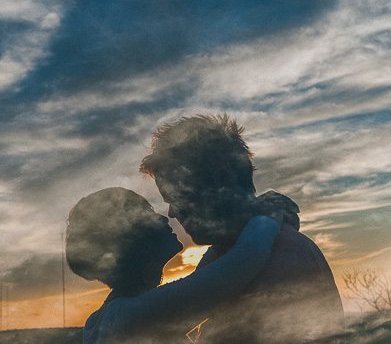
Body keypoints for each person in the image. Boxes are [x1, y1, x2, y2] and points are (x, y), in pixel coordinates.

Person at [140, 114, 345, 342]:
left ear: (221, 179)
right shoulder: (226, 254)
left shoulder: (284, 257)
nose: (172, 212)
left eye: (176, 197)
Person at [65, 187, 281, 343]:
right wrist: (270, 216)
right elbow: (244, 260)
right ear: (129, 238)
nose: (164, 218)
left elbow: (208, 278)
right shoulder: (129, 317)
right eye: (147, 214)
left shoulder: (116, 316)